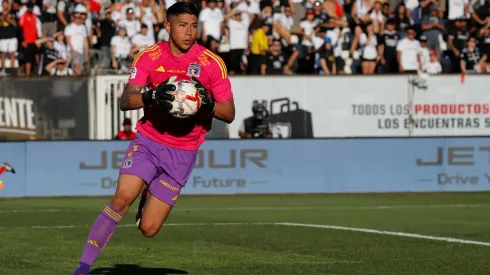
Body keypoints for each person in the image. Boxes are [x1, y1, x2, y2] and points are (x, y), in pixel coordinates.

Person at [72, 2, 235, 275]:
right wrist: (150, 96)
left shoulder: (211, 63)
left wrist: (205, 104)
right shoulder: (149, 56)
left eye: (194, 25)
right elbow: (126, 100)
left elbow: (229, 113)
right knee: (122, 199)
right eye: (182, 25)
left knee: (149, 229)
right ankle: (83, 267)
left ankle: (148, 195)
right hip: (149, 141)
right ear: (167, 26)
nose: (189, 32)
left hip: (183, 152)